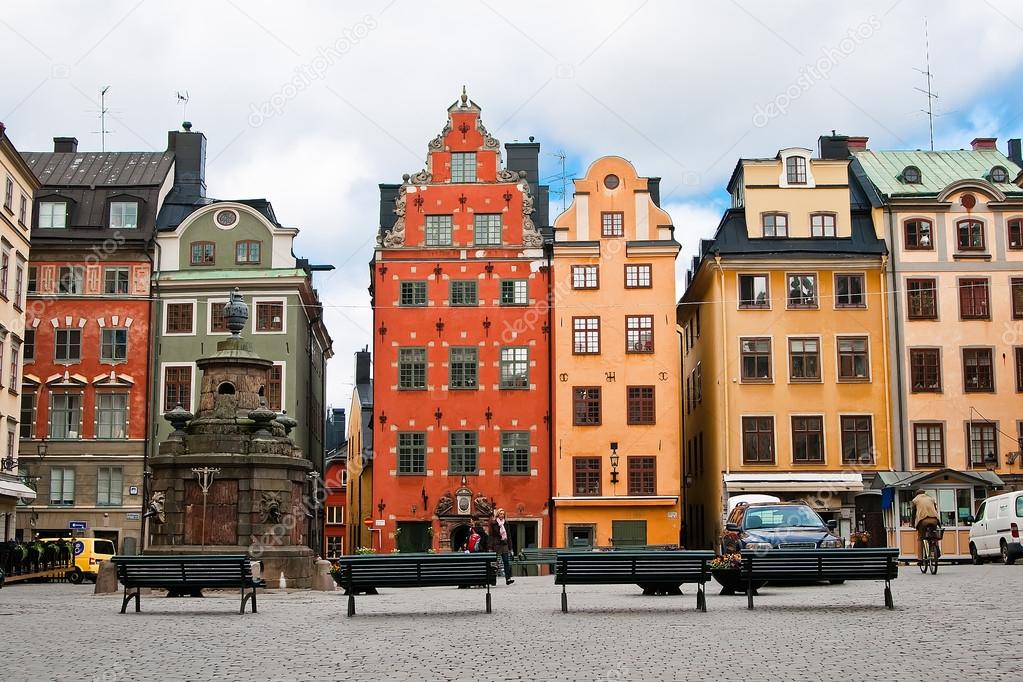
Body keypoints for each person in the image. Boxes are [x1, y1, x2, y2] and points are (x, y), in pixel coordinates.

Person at [910, 489, 941, 564]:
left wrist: (913, 524)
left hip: (923, 521)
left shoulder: (915, 500)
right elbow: (935, 510)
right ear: (924, 493)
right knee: (934, 535)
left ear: (917, 494)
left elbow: (913, 514)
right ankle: (936, 548)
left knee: (920, 538)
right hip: (934, 520)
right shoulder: (931, 499)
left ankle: (920, 559)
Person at [489, 508, 514, 585]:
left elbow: (508, 536)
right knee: (495, 563)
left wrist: (511, 548)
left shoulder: (506, 523)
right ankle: (493, 580)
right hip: (496, 545)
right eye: (500, 514)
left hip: (504, 544)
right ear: (498, 514)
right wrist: (490, 547)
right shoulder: (494, 523)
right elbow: (491, 536)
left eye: (503, 514)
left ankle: (508, 579)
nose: (502, 515)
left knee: (506, 562)